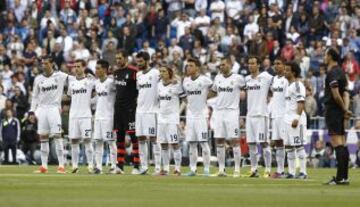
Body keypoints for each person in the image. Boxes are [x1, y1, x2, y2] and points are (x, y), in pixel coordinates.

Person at [30, 55, 69, 174]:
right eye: (42, 63)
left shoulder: (60, 76)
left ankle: (61, 166)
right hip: (42, 109)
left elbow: (73, 79)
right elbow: (35, 97)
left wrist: (87, 78)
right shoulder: (38, 79)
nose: (43, 65)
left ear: (51, 64)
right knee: (43, 137)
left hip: (53, 109)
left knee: (57, 136)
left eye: (46, 63)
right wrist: (32, 111)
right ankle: (44, 166)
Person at [209, 57, 244, 177]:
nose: (221, 67)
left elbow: (245, 91)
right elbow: (213, 92)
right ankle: (221, 169)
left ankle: (237, 170)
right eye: (220, 65)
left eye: (223, 65)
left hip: (232, 112)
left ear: (229, 65)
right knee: (219, 139)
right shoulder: (217, 78)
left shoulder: (238, 78)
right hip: (219, 112)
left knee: (234, 140)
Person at [324, 48, 352, 185]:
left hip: (333, 110)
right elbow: (346, 94)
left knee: (337, 143)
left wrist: (342, 109)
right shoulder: (342, 72)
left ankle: (340, 178)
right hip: (340, 111)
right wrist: (345, 109)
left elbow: (335, 94)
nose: (324, 58)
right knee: (342, 142)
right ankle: (344, 177)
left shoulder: (332, 72)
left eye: (325, 55)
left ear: (329, 56)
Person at [182, 58, 212, 176]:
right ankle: (193, 169)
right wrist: (188, 102)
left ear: (197, 68)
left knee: (204, 143)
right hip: (190, 116)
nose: (188, 67)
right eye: (187, 65)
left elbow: (215, 89)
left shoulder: (205, 80)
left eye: (191, 65)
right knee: (192, 143)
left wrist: (206, 98)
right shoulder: (185, 81)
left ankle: (206, 169)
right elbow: (184, 96)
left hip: (201, 116)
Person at [245, 56, 273, 178]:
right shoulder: (246, 79)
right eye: (249, 63)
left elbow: (275, 88)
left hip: (261, 115)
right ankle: (254, 169)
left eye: (253, 63)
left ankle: (267, 169)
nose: (250, 65)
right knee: (251, 144)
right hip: (250, 115)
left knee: (264, 143)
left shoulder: (266, 77)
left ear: (258, 65)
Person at [113, 50, 140, 174]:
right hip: (118, 110)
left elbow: (140, 90)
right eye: (116, 58)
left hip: (130, 110)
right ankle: (120, 166)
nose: (118, 61)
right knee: (120, 139)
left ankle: (136, 166)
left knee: (134, 138)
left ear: (126, 58)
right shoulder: (116, 73)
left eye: (120, 58)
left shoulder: (134, 72)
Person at [135, 51, 161, 175]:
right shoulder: (138, 74)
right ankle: (144, 166)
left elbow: (168, 80)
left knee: (154, 139)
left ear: (147, 60)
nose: (138, 64)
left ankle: (157, 167)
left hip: (152, 111)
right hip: (139, 111)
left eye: (141, 61)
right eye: (137, 61)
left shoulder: (156, 73)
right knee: (141, 138)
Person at [67, 59, 95, 174]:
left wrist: (92, 102)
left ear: (84, 67)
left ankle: (90, 165)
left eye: (78, 66)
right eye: (75, 66)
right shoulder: (72, 83)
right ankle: (74, 166)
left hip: (85, 116)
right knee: (74, 141)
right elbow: (69, 96)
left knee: (87, 140)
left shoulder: (89, 81)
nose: (76, 68)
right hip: (73, 116)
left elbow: (99, 90)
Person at [157, 65, 185, 175]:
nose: (161, 73)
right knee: (163, 144)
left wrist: (178, 112)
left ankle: (177, 169)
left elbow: (184, 99)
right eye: (160, 71)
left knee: (174, 143)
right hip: (161, 118)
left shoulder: (176, 85)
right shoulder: (158, 85)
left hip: (172, 119)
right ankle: (165, 168)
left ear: (169, 73)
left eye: (164, 71)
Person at [283, 61, 308, 179]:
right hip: (287, 119)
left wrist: (297, 118)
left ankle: (303, 172)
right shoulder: (288, 86)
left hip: (296, 120)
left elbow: (301, 102)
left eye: (287, 70)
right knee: (288, 146)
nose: (285, 72)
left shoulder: (298, 85)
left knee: (299, 145)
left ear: (293, 72)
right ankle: (292, 172)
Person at [93, 59, 117, 174]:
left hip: (109, 116)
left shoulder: (111, 82)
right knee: (98, 142)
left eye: (98, 68)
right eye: (96, 68)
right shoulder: (96, 83)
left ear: (105, 69)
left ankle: (114, 166)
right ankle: (98, 166)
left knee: (111, 142)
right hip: (98, 116)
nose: (96, 70)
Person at [270, 58, 288, 178]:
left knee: (288, 143)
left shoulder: (287, 80)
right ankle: (280, 170)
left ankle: (292, 170)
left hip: (284, 115)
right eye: (275, 64)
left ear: (284, 65)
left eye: (278, 63)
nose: (276, 66)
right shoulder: (274, 79)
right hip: (275, 115)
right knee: (278, 142)